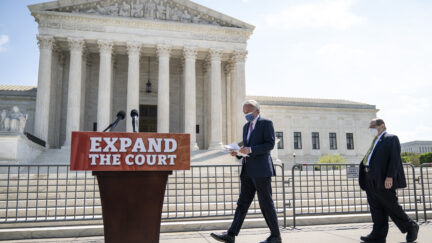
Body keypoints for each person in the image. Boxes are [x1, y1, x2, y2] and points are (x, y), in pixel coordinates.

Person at [210, 100, 281, 243]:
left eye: (247, 112)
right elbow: (246, 147)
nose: (245, 115)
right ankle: (231, 235)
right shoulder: (245, 127)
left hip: (261, 171)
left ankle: (275, 236)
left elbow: (269, 144)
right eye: (244, 113)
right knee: (242, 203)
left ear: (256, 111)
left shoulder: (266, 123)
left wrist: (251, 149)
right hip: (247, 171)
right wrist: (236, 152)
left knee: (266, 203)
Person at [358, 118, 419, 243]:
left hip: (383, 179)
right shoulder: (375, 141)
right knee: (376, 208)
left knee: (391, 206)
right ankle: (378, 235)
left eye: (372, 126)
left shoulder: (391, 139)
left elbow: (395, 159)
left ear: (382, 126)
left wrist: (390, 176)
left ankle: (411, 226)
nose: (370, 129)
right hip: (370, 178)